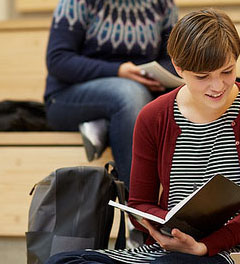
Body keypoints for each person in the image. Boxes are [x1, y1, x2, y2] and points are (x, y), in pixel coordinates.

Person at [42, 9, 240, 264]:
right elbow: (140, 204)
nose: (218, 85)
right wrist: (166, 227)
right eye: (202, 76)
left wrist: (204, 247)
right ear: (178, 68)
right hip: (169, 249)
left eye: (227, 71)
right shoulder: (153, 116)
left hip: (238, 251)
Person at [43, 0, 179, 187]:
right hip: (67, 97)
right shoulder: (78, 2)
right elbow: (58, 60)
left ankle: (105, 124)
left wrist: (152, 75)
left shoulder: (162, 4)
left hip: (141, 91)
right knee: (129, 95)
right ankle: (137, 203)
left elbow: (172, 60)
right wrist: (118, 70)